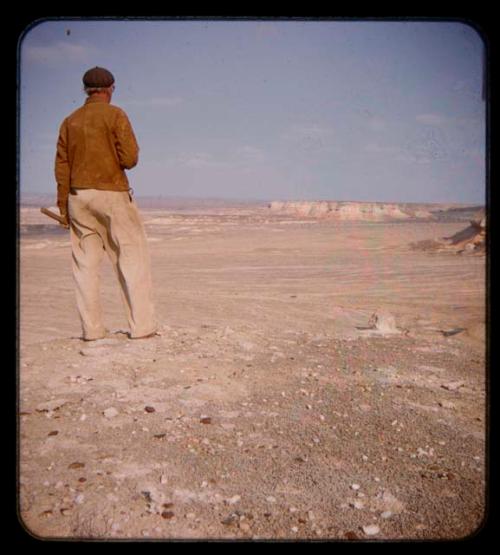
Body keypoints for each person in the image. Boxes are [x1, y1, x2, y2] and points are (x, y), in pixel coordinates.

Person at [54, 66, 157, 341]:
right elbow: (130, 159)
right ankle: (142, 327)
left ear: (85, 90)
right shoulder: (116, 115)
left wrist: (63, 206)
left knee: (85, 265)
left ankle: (92, 331)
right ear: (110, 88)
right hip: (112, 194)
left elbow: (61, 167)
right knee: (132, 256)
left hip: (78, 197)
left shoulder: (70, 120)